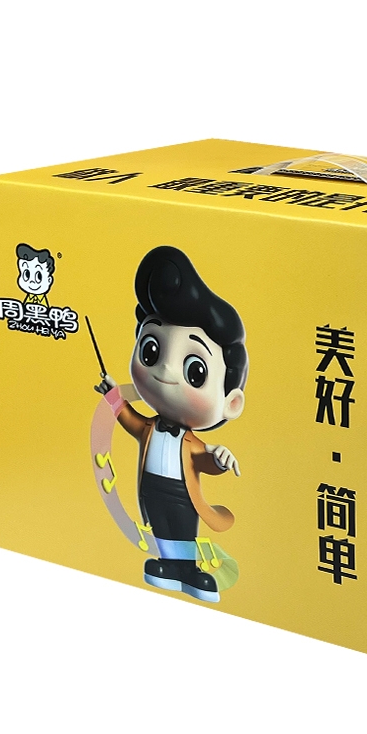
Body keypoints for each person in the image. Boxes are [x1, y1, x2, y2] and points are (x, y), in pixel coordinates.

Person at [95, 245, 248, 602]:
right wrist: (113, 396)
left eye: (195, 370)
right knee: (161, 527)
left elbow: (204, 461)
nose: (165, 369)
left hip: (182, 496)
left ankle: (189, 570)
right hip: (152, 491)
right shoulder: (149, 430)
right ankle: (167, 564)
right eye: (151, 350)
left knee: (182, 528)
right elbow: (130, 420)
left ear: (231, 402)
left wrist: (219, 458)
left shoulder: (191, 443)